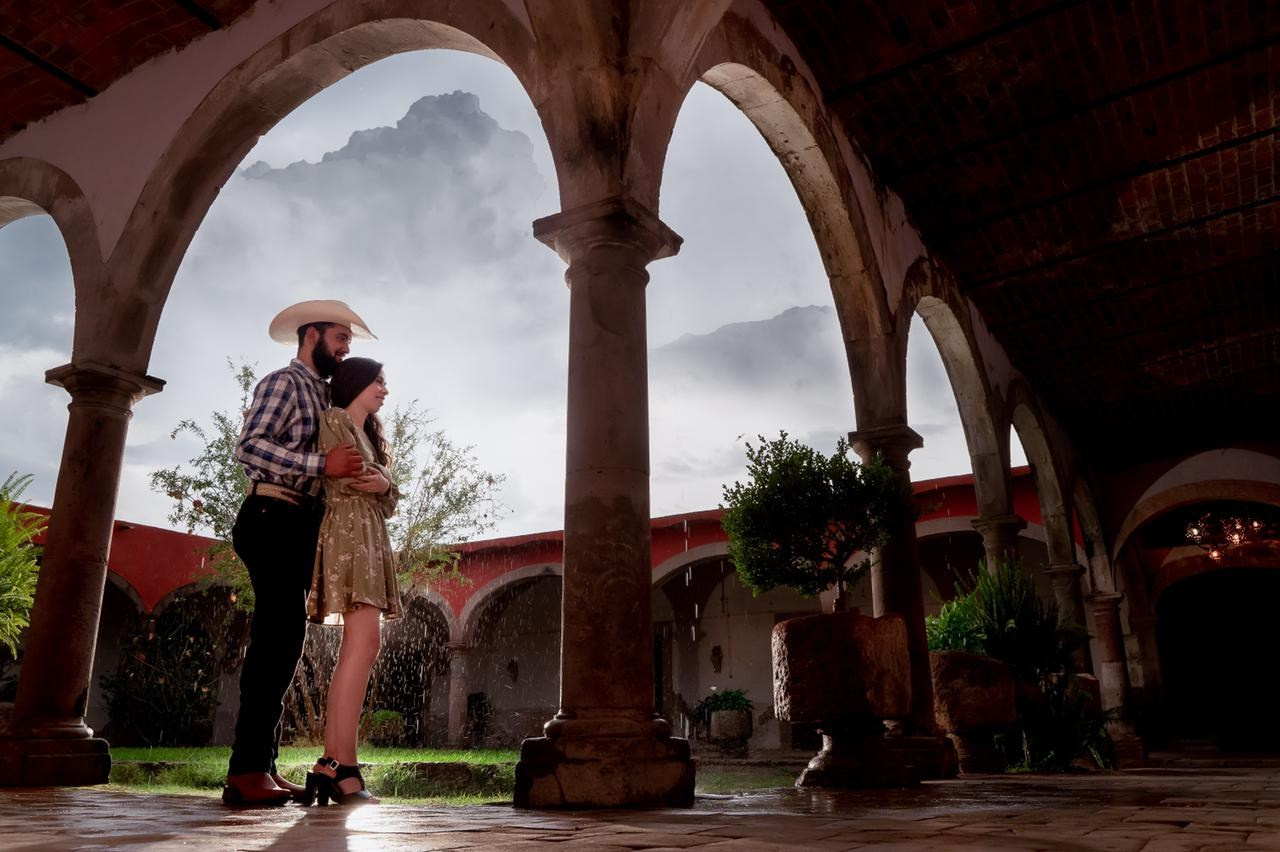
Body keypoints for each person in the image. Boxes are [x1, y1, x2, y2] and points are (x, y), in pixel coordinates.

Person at [222, 300, 385, 807]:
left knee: (285, 642)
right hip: (271, 515)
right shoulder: (283, 383)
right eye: (339, 338)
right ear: (311, 334)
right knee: (275, 639)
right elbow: (249, 447)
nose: (345, 348)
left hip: (301, 526)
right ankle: (245, 772)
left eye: (349, 343)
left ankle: (261, 766)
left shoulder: (329, 396)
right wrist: (322, 463)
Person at [302, 357, 402, 806]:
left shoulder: (367, 435)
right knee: (361, 646)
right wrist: (380, 483)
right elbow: (355, 480)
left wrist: (382, 484)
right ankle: (341, 764)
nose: (384, 389)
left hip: (367, 535)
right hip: (348, 535)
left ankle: (332, 762)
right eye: (378, 381)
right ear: (357, 383)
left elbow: (387, 496)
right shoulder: (335, 420)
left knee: (363, 647)